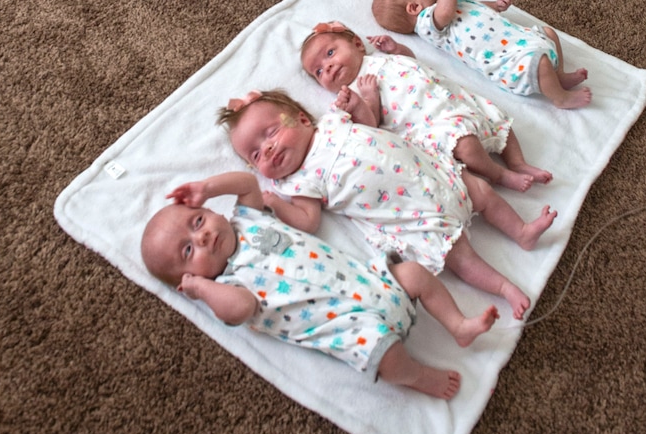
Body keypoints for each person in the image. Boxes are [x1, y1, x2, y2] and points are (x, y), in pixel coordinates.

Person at [142, 170, 500, 399]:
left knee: (416, 274)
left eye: (198, 220)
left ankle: (458, 325)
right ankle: (418, 376)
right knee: (387, 361)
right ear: (188, 279)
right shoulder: (228, 284)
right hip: (352, 326)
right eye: (189, 250)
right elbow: (240, 310)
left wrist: (206, 187)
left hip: (375, 281)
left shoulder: (246, 220)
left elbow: (248, 183)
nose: (203, 236)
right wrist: (202, 291)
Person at [217, 91, 558, 320]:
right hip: (407, 214)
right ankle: (504, 287)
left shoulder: (332, 122)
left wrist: (360, 104)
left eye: (271, 132)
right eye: (256, 154)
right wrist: (277, 203)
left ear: (302, 119)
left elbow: (371, 125)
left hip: (430, 172)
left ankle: (523, 231)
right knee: (459, 256)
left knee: (482, 191)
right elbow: (308, 221)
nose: (269, 149)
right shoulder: (299, 181)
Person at [300, 20, 552, 191]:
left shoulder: (378, 58)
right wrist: (369, 98)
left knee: (497, 119)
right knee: (466, 145)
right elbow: (371, 127)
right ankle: (499, 175)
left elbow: (411, 62)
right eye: (319, 71)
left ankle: (518, 162)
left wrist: (397, 49)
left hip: (451, 99)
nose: (328, 67)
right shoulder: (351, 93)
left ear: (356, 43)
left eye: (330, 53)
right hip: (430, 124)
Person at [372, 0, 592, 109]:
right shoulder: (427, 23)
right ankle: (560, 97)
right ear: (414, 8)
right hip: (508, 60)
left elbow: (472, 7)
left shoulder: (448, 2)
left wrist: (495, 6)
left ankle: (559, 75)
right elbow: (447, 13)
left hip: (519, 40)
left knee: (549, 33)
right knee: (539, 64)